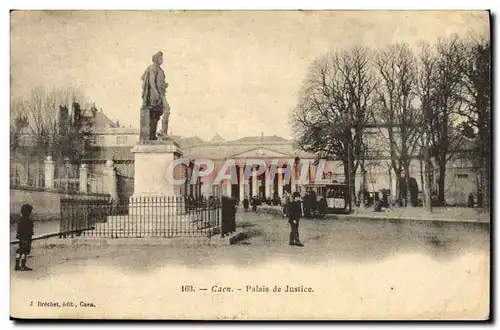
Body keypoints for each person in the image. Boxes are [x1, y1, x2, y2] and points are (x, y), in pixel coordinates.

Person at [141, 51, 171, 140]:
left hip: (161, 93)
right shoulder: (153, 68)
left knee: (157, 114)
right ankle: (162, 132)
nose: (162, 59)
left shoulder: (161, 70)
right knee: (165, 109)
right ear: (156, 59)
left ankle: (160, 133)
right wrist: (155, 93)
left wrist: (164, 85)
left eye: (162, 58)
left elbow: (159, 81)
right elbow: (151, 81)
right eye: (160, 58)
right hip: (156, 94)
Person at [15, 204, 34, 271]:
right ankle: (23, 266)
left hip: (21, 237)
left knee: (19, 250)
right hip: (27, 237)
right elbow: (30, 230)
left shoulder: (20, 219)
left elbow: (18, 230)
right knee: (25, 252)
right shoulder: (29, 220)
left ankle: (17, 266)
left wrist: (19, 236)